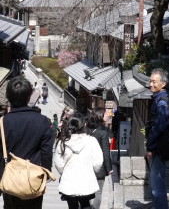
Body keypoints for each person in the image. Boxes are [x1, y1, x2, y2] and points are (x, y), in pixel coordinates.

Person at [0, 76, 53, 209]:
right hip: (33, 176)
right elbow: (46, 153)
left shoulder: (2, 122)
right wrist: (45, 174)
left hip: (9, 176)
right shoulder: (43, 121)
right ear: (29, 96)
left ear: (8, 96)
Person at [54, 112, 103, 209]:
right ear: (84, 125)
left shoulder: (63, 142)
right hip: (87, 179)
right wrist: (92, 171)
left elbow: (58, 164)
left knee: (72, 206)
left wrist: (64, 172)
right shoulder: (91, 141)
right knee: (86, 205)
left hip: (69, 180)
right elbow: (98, 162)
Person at [145, 68, 169, 209]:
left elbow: (159, 126)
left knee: (157, 185)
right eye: (150, 81)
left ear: (163, 84)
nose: (151, 84)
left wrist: (151, 147)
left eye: (154, 82)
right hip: (159, 146)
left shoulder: (161, 103)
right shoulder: (159, 99)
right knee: (156, 183)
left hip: (159, 147)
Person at [87, 107, 113, 209]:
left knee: (86, 190)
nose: (108, 115)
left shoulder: (87, 129)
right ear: (100, 115)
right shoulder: (103, 132)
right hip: (99, 165)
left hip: (86, 164)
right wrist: (109, 168)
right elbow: (106, 152)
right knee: (98, 191)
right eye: (106, 114)